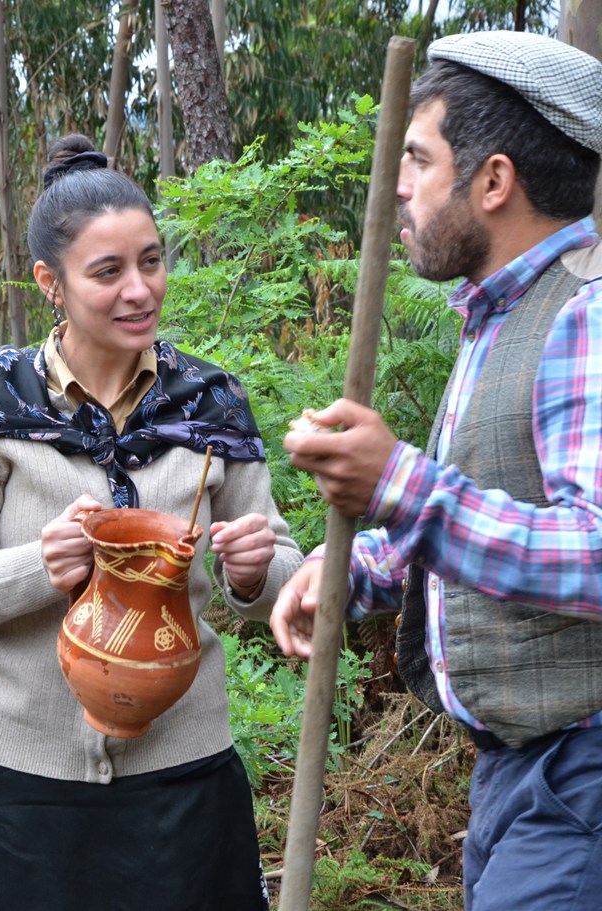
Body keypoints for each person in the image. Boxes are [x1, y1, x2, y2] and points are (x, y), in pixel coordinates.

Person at [0, 134, 302, 910]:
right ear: (50, 283)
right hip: (22, 786)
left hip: (182, 779)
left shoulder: (210, 403)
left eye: (151, 262)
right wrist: (40, 563)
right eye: (108, 271)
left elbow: (286, 576)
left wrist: (256, 571)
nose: (140, 290)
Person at [271, 31, 602, 911]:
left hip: (581, 777)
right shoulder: (499, 316)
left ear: (493, 181)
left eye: (418, 159)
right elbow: (494, 506)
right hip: (519, 775)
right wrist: (346, 568)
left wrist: (403, 486)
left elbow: (596, 551)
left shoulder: (586, 315)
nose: (398, 185)